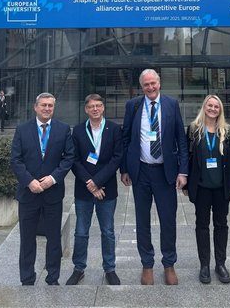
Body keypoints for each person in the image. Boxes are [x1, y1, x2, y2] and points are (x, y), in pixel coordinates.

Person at [120, 69, 188, 286]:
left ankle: (169, 264)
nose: (150, 87)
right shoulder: (133, 106)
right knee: (142, 221)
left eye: (153, 83)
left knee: (168, 220)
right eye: (146, 85)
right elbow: (125, 138)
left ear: (159, 83)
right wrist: (124, 169)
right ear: (142, 87)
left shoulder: (171, 104)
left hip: (165, 173)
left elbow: (181, 139)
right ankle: (147, 264)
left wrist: (183, 171)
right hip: (141, 172)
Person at [10, 92, 74, 286]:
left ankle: (52, 277)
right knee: (27, 238)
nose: (47, 109)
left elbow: (69, 157)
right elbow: (16, 159)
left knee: (54, 238)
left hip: (53, 193)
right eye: (44, 105)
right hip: (28, 193)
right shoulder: (22, 129)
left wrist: (53, 179)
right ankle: (27, 277)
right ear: (35, 107)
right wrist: (30, 181)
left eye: (50, 106)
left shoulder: (63, 130)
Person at [66, 94, 123, 286]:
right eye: (91, 106)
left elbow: (117, 158)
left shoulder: (114, 129)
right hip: (84, 190)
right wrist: (90, 183)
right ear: (86, 109)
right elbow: (74, 160)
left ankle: (110, 269)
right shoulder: (78, 131)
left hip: (107, 189)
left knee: (108, 231)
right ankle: (78, 268)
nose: (95, 109)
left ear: (103, 107)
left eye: (98, 105)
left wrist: (97, 182)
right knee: (81, 231)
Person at [185, 95, 230, 284]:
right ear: (204, 107)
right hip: (201, 187)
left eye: (216, 106)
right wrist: (186, 184)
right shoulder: (193, 129)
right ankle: (204, 265)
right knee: (202, 226)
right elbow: (188, 157)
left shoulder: (227, 131)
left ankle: (220, 264)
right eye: (210, 105)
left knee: (221, 225)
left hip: (221, 187)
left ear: (220, 110)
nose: (213, 109)